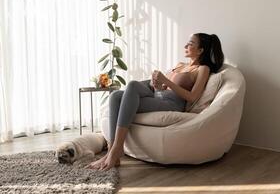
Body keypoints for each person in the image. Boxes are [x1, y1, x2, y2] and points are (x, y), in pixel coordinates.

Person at [85, 33, 224, 171]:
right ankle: (111, 150)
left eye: (191, 43)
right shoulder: (180, 65)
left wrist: (166, 81)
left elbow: (193, 97)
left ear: (200, 50)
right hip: (158, 96)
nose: (185, 45)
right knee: (115, 96)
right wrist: (157, 84)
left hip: (172, 104)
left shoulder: (202, 69)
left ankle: (117, 148)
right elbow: (164, 87)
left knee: (132, 85)